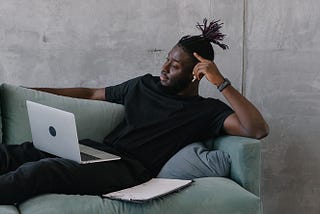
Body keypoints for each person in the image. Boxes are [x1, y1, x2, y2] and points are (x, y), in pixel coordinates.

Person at [0, 18, 269, 205]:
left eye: (174, 66)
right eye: (167, 59)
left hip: (129, 170)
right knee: (17, 153)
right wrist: (27, 90)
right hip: (97, 151)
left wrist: (220, 81)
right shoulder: (143, 85)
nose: (164, 68)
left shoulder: (206, 111)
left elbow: (256, 129)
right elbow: (92, 93)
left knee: (42, 171)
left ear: (196, 75)